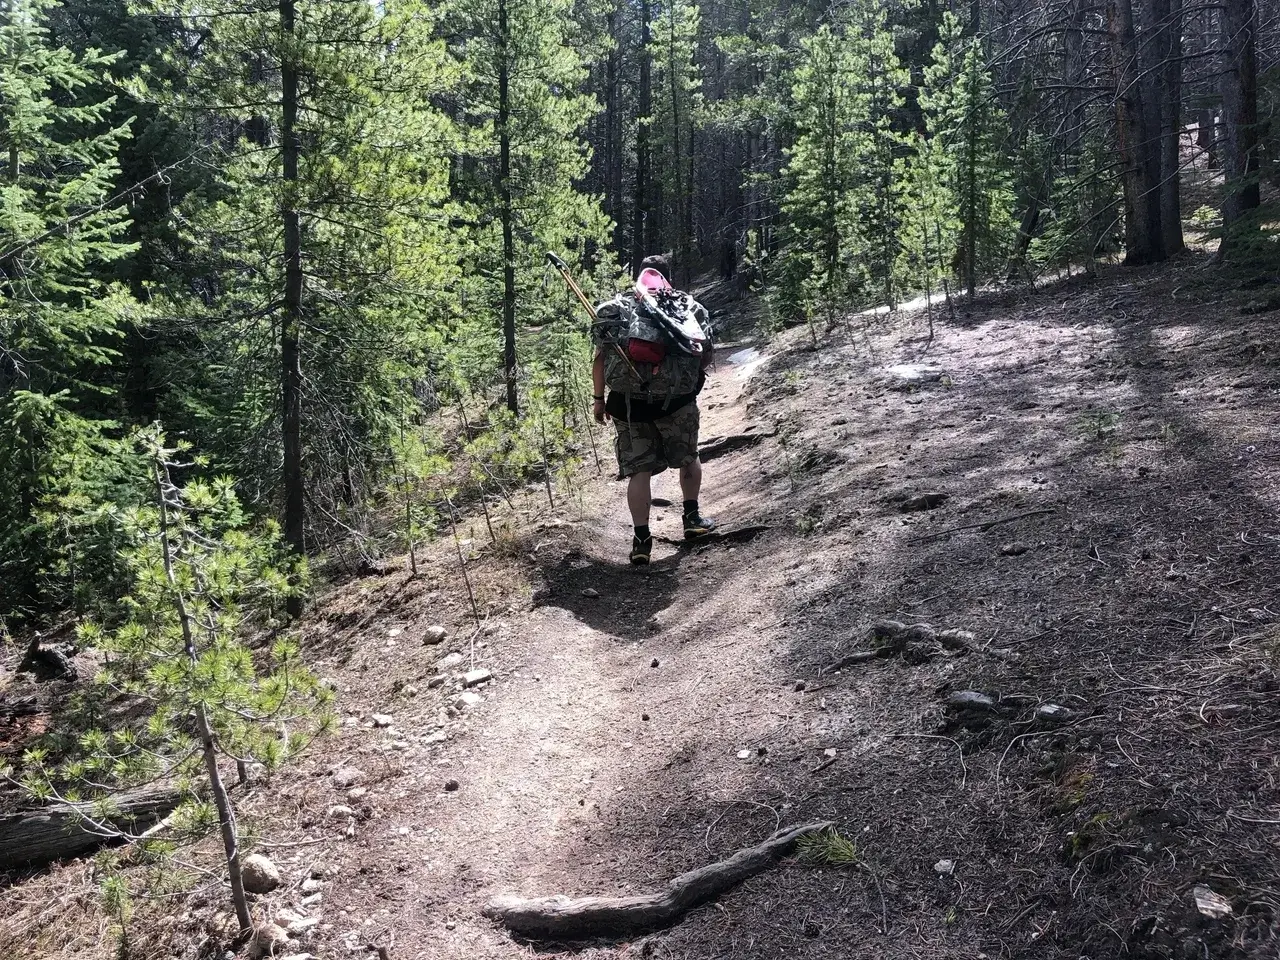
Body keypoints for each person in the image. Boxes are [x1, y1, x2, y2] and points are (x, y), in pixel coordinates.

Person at [592, 267, 716, 565]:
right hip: (678, 401)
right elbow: (705, 352)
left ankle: (642, 541)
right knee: (688, 456)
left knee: (639, 471)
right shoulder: (689, 308)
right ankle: (692, 518)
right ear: (667, 281)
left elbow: (600, 360)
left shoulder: (615, 312)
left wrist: (598, 400)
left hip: (628, 405)